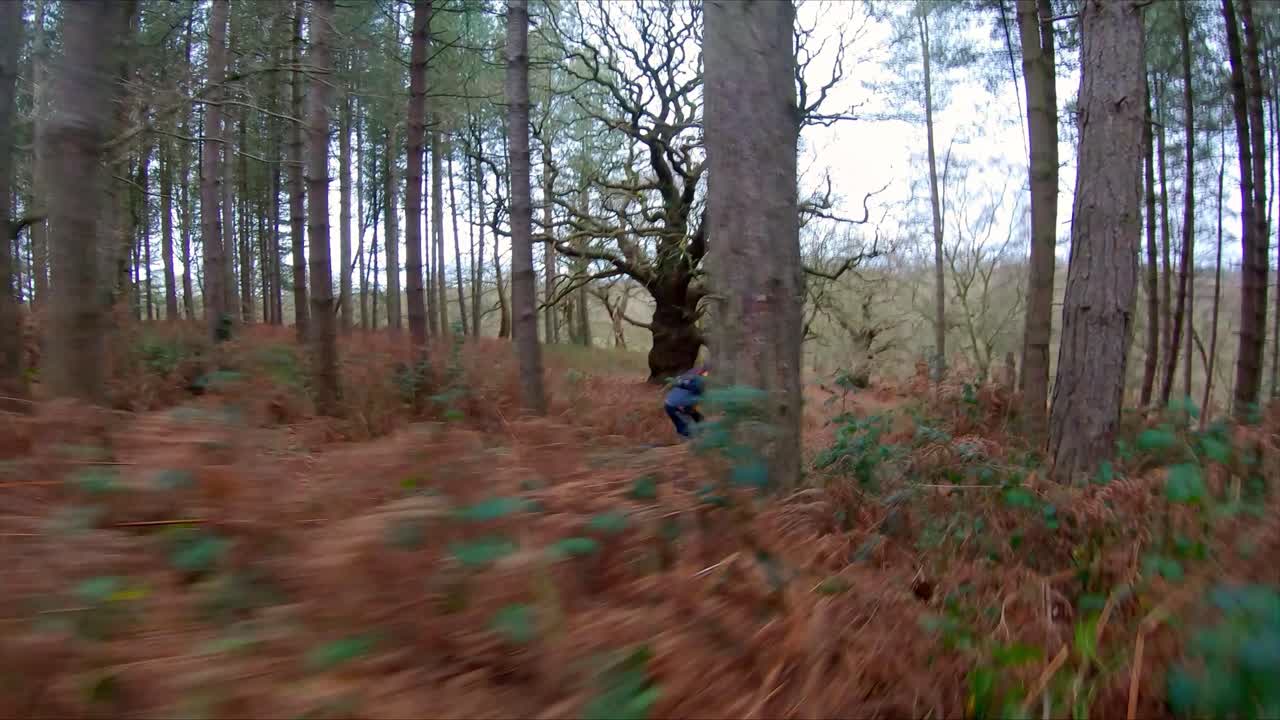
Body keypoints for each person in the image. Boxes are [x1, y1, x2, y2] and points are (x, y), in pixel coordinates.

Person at [664, 365, 709, 439]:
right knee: (684, 426)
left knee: (698, 418)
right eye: (705, 373)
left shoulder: (687, 376)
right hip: (676, 405)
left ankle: (697, 436)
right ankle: (689, 440)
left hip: (674, 403)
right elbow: (697, 392)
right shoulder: (697, 381)